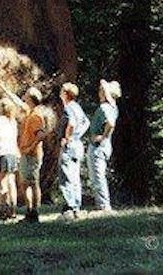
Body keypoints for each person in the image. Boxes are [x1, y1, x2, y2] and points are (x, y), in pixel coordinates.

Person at [6, 86, 49, 223]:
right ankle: (30, 211)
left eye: (26, 95)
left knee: (32, 183)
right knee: (26, 183)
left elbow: (41, 135)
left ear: (30, 98)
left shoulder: (35, 116)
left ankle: (34, 212)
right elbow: (18, 102)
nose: (23, 96)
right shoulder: (30, 112)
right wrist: (6, 90)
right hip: (26, 153)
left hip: (31, 154)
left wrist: (30, 147)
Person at [87, 79, 121, 212]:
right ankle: (102, 204)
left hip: (98, 147)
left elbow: (111, 123)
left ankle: (104, 206)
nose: (99, 93)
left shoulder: (104, 108)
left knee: (98, 177)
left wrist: (102, 136)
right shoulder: (113, 107)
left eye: (101, 91)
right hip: (105, 147)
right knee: (98, 176)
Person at [58, 83, 90, 220]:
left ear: (66, 94)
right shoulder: (77, 107)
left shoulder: (69, 108)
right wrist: (78, 136)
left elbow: (71, 123)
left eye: (62, 91)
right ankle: (76, 207)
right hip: (77, 145)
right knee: (75, 177)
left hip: (69, 147)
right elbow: (86, 122)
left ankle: (70, 209)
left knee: (66, 177)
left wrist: (68, 137)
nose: (60, 93)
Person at [0, 99, 20, 219]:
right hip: (12, 153)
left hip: (2, 153)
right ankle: (13, 210)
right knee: (11, 182)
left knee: (1, 183)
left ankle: (3, 208)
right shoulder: (13, 122)